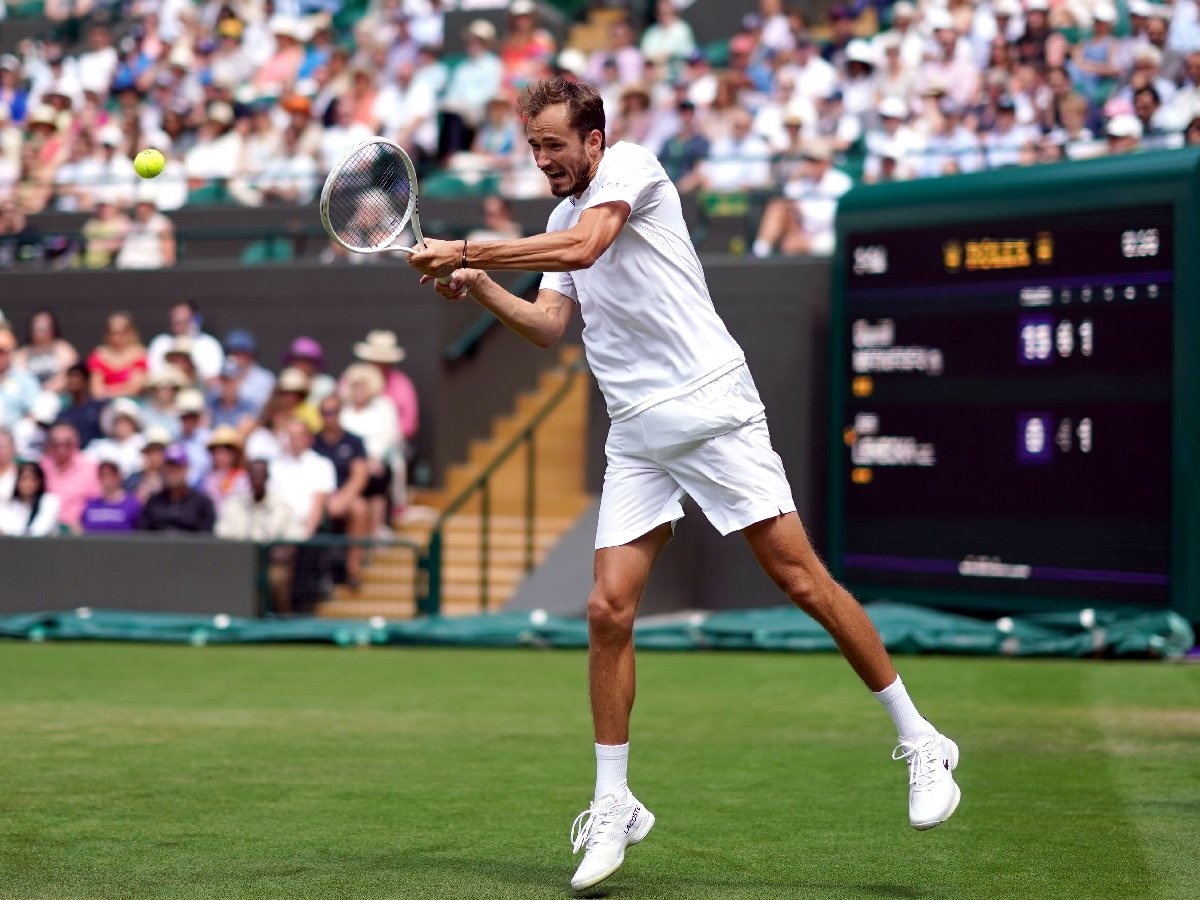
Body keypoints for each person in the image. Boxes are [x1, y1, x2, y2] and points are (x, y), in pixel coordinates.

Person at [408, 77, 960, 893]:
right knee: (606, 609)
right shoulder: (559, 220)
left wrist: (466, 251)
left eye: (554, 145)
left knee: (802, 581)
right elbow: (550, 325)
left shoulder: (631, 167)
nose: (543, 161)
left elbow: (587, 248)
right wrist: (482, 288)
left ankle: (922, 740)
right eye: (533, 148)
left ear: (594, 142)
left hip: (712, 412)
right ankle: (613, 801)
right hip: (636, 432)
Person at [215, 458, 306, 615]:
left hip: (272, 563)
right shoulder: (234, 505)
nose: (257, 478)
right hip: (239, 563)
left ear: (267, 477)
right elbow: (222, 535)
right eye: (253, 474)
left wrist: (281, 552)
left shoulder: (282, 506)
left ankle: (282, 619)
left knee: (277, 577)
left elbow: (295, 537)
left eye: (260, 474)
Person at [351, 329, 419, 452]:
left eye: (383, 361)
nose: (379, 364)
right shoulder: (352, 378)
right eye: (375, 360)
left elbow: (409, 425)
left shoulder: (402, 385)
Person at [137, 443, 215, 533]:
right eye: (168, 467)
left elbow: (206, 540)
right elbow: (143, 536)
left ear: (186, 469)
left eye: (176, 467)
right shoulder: (154, 502)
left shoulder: (202, 503)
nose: (171, 472)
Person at [147, 300, 225, 384]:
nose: (182, 326)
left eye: (186, 321)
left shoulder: (208, 344)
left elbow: (214, 382)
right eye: (177, 322)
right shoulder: (160, 343)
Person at [13, 309, 78, 393]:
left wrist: (51, 388)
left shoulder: (64, 350)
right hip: (29, 397)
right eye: (36, 328)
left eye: (43, 328)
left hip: (58, 396)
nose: (39, 332)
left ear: (52, 329)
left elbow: (69, 375)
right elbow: (17, 376)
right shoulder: (22, 354)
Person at [87, 311, 148, 400]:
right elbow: (96, 391)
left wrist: (108, 390)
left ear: (130, 332)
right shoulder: (98, 355)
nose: (116, 337)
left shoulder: (140, 354)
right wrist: (123, 388)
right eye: (112, 332)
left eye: (121, 332)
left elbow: (135, 388)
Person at [0, 460, 61, 536]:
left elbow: (39, 531)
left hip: (45, 546)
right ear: (17, 481)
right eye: (24, 479)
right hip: (15, 546)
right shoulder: (10, 503)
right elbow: (8, 528)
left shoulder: (50, 501)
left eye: (33, 479)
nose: (28, 483)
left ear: (39, 481)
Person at [80, 457, 141, 532]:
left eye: (109, 475)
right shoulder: (91, 505)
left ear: (118, 476)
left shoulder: (132, 505)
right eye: (102, 475)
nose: (106, 479)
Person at [201, 424, 250, 514]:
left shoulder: (243, 478)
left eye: (227, 449)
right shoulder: (207, 478)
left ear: (235, 453)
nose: (221, 454)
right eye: (216, 450)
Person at [57, 362, 105, 448]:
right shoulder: (63, 412)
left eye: (76, 376)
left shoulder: (99, 408)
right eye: (69, 376)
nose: (72, 380)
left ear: (86, 380)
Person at [0, 325, 39, 430]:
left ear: (10, 352)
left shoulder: (24, 378)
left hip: (15, 435)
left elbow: (33, 411)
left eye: (2, 352)